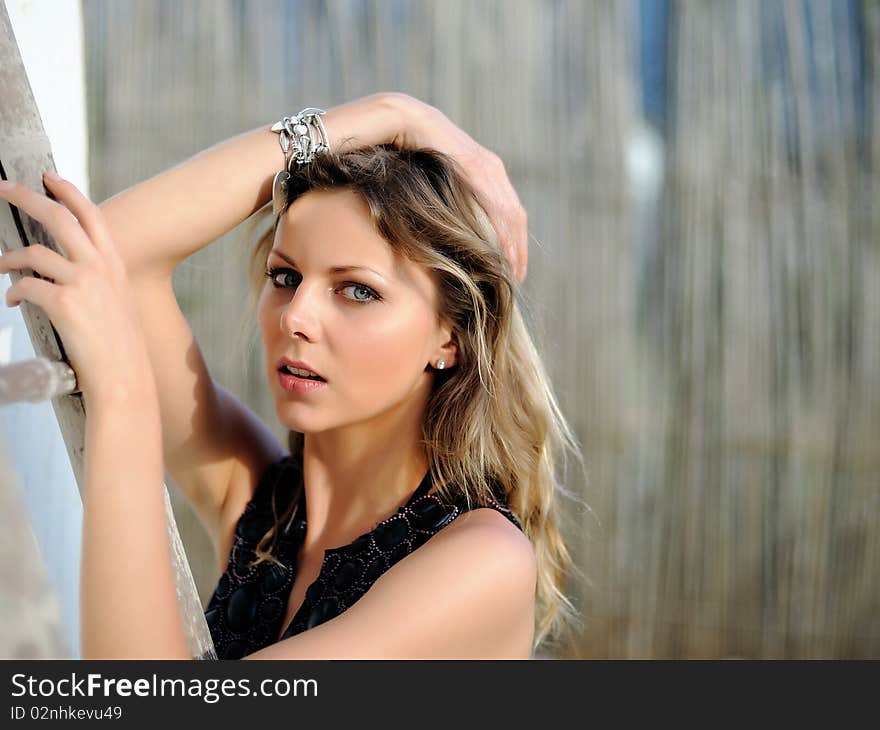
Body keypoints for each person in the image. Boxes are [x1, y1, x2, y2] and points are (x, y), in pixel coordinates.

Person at [0, 92, 582, 659]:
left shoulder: (481, 563)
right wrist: (391, 114)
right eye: (285, 277)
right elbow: (109, 254)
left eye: (357, 291)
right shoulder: (260, 503)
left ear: (449, 338)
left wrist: (123, 398)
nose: (297, 317)